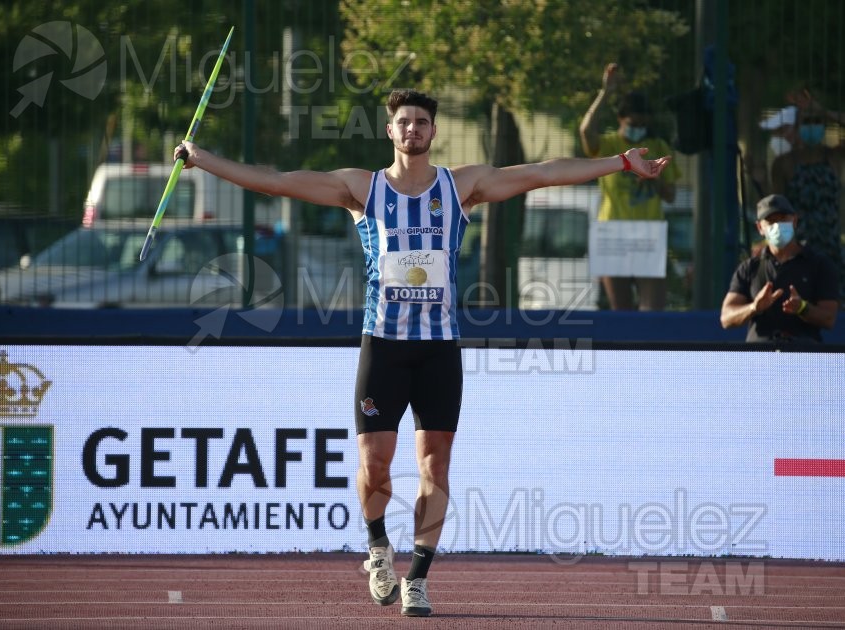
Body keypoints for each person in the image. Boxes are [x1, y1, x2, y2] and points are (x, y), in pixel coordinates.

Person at [174, 88, 670, 617]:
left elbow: (543, 172)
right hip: (383, 346)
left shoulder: (462, 186)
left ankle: (418, 576)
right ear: (390, 131)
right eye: (403, 122)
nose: (412, 129)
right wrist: (202, 159)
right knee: (375, 466)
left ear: (434, 133)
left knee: (435, 465)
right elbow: (275, 182)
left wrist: (619, 162)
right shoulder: (360, 188)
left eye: (421, 122)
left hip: (438, 349)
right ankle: (378, 546)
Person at [579, 62, 682, 311]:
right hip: (613, 233)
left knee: (653, 310)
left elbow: (670, 196)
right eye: (632, 123)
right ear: (621, 119)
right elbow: (585, 131)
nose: (638, 129)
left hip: (648, 234)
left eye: (642, 124)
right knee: (621, 311)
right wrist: (605, 93)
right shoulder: (608, 145)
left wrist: (652, 177)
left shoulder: (657, 146)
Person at [720, 194, 839, 343]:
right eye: (770, 221)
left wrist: (802, 308)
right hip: (758, 360)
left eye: (783, 219)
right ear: (760, 228)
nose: (777, 226)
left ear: (794, 221)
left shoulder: (819, 265)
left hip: (804, 360)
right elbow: (726, 318)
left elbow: (829, 318)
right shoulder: (749, 268)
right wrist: (754, 307)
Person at [771, 89, 845, 299]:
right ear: (797, 127)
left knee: (831, 305)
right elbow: (776, 211)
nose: (812, 126)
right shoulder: (784, 164)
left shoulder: (834, 158)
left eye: (816, 121)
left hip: (830, 248)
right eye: (806, 121)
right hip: (798, 249)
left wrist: (826, 112)